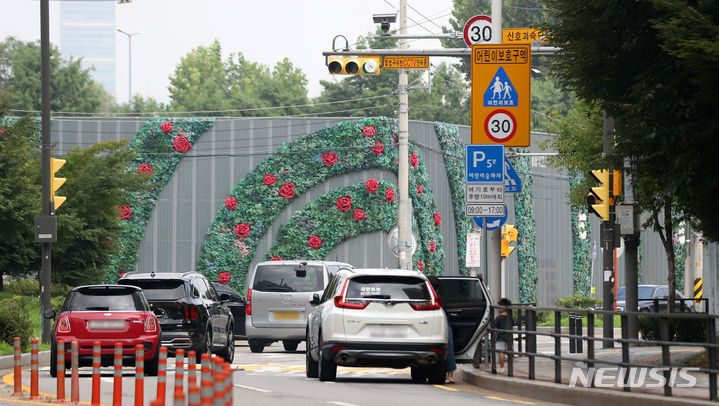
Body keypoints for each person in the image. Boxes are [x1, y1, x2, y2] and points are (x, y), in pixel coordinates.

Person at [427, 276, 456, 384]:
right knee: (449, 351)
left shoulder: (431, 297)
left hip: (438, 326)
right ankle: (450, 375)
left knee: (446, 352)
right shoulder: (438, 296)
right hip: (446, 325)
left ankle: (450, 375)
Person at [494, 298, 513, 372]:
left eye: (499, 306)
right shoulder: (509, 317)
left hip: (500, 337)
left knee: (501, 352)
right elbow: (512, 325)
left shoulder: (498, 317)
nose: (498, 308)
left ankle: (502, 367)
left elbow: (495, 327)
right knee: (509, 351)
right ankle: (510, 367)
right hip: (509, 337)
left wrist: (495, 336)